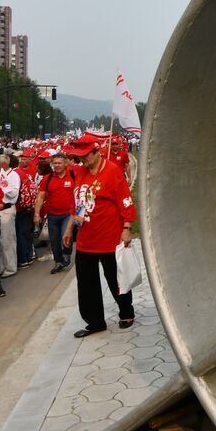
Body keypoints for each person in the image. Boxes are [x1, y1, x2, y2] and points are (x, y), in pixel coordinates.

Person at [62, 139, 137, 338]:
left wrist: (127, 228)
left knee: (115, 278)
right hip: (86, 239)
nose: (83, 160)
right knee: (86, 282)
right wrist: (69, 228)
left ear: (97, 153)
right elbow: (77, 202)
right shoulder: (80, 172)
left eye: (86, 155)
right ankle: (95, 321)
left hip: (110, 237)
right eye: (80, 157)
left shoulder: (112, 171)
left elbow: (126, 201)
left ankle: (126, 312)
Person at [35, 154, 77, 275]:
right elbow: (40, 196)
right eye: (55, 163)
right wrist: (37, 214)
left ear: (65, 164)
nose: (57, 165)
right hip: (52, 214)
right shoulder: (47, 178)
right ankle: (58, 262)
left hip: (68, 214)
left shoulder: (73, 176)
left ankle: (67, 254)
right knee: (54, 240)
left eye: (59, 163)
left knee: (66, 235)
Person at [0, 153, 22, 278]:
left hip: (7, 208)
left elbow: (13, 194)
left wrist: (3, 184)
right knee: (0, 241)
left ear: (4, 164)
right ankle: (2, 266)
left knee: (7, 240)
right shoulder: (0, 174)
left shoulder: (13, 175)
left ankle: (10, 267)